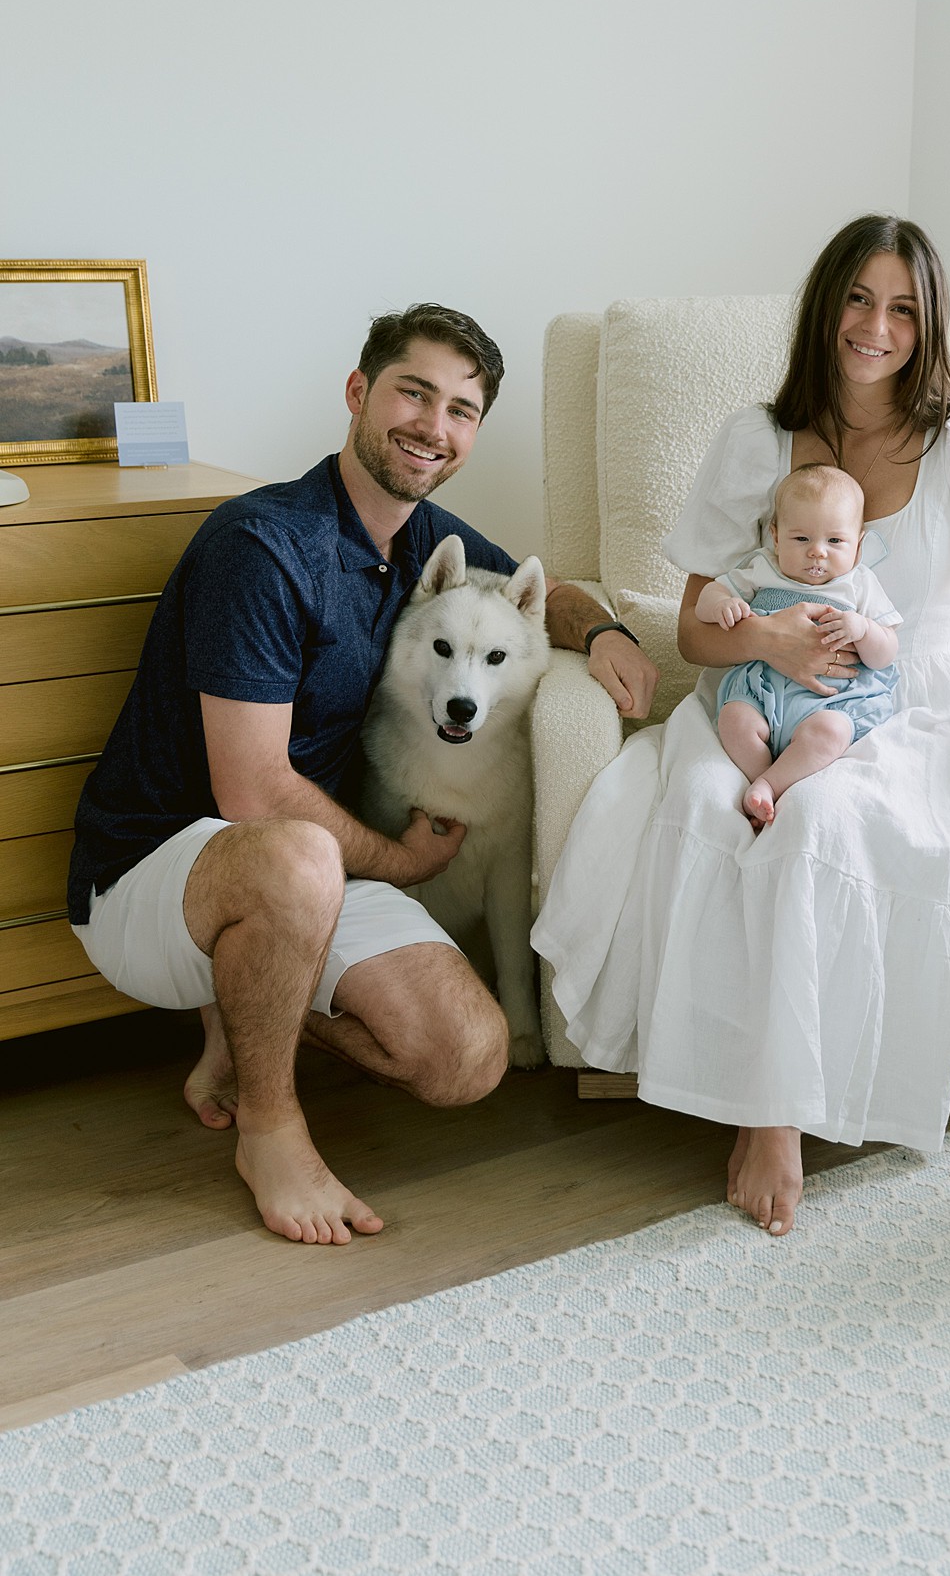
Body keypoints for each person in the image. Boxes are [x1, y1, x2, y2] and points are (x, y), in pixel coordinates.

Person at [532, 216, 950, 1237]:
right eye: (857, 299)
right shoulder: (758, 438)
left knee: (815, 825)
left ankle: (775, 1113)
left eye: (904, 308)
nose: (876, 326)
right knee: (707, 799)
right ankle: (704, 1068)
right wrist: (771, 643)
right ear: (825, 305)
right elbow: (703, 634)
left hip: (909, 700)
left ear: (927, 327)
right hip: (765, 687)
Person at [68, 302, 658, 1247]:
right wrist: (399, 860)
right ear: (358, 393)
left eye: (460, 410)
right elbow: (251, 795)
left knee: (472, 1057)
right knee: (295, 850)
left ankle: (245, 1003)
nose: (434, 426)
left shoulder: (426, 544)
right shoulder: (261, 548)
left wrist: (604, 631)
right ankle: (272, 1130)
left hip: (304, 876)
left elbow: (531, 595)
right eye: (413, 393)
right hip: (155, 868)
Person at [699, 463, 901, 827]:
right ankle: (764, 779)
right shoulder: (763, 568)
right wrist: (721, 604)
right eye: (801, 539)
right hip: (762, 694)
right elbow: (706, 596)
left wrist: (863, 629)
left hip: (829, 701)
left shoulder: (859, 583)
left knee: (832, 733)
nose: (817, 553)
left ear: (858, 542)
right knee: (734, 721)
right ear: (776, 537)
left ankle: (770, 785)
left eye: (835, 541)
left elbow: (887, 651)